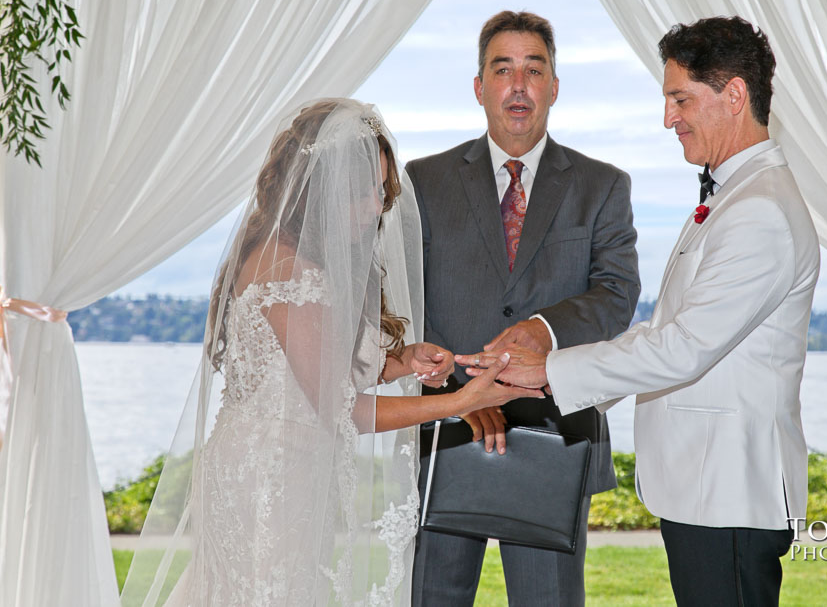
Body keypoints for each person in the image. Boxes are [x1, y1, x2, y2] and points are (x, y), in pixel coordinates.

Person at [119, 98, 541, 606]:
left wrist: (403, 361)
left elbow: (312, 371)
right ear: (319, 184)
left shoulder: (287, 256)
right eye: (361, 190)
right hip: (270, 478)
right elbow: (339, 408)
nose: (374, 206)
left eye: (378, 190)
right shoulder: (292, 270)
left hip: (275, 466)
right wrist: (461, 402)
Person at [460, 16, 821, 606]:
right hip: (709, 489)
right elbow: (667, 331)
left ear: (734, 95)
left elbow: (681, 348)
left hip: (729, 488)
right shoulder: (735, 195)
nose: (668, 118)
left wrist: (550, 370)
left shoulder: (759, 210)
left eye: (680, 99)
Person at [406, 11, 640, 606]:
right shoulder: (421, 182)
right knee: (431, 596)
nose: (518, 84)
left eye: (534, 69)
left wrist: (542, 328)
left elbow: (616, 294)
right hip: (445, 430)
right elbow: (402, 296)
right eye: (502, 68)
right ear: (479, 86)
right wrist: (461, 393)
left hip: (554, 431)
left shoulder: (603, 184)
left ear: (554, 87)